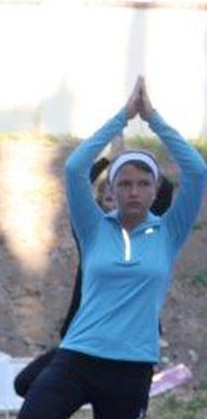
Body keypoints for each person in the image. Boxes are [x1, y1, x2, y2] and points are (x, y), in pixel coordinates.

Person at [16, 76, 207, 419]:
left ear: (154, 192)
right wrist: (122, 118)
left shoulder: (166, 234)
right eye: (125, 184)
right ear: (113, 191)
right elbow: (76, 167)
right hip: (80, 355)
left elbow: (198, 170)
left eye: (143, 184)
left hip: (131, 367)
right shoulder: (93, 227)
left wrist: (156, 120)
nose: (133, 192)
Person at [13, 159, 174, 398]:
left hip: (127, 345)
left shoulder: (150, 233)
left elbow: (166, 190)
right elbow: (78, 185)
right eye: (109, 199)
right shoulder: (91, 234)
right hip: (84, 339)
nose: (119, 201)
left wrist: (134, 160)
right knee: (25, 383)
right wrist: (104, 162)